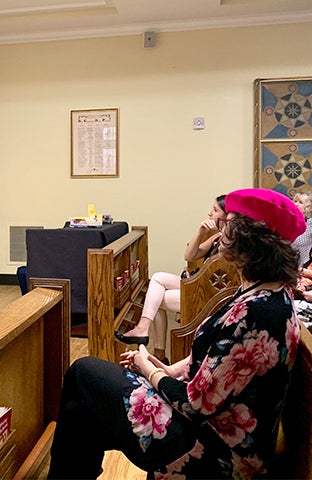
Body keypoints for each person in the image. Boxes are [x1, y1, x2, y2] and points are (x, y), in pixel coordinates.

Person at [47, 188, 304, 480]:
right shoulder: (265, 292)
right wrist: (169, 368)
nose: (221, 233)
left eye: (226, 224)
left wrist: (149, 370)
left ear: (251, 239)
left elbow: (196, 404)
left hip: (213, 449)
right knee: (78, 413)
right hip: (209, 423)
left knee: (83, 370)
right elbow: (218, 366)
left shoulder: (259, 314)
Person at [114, 195, 227, 362]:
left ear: (227, 216)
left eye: (215, 210)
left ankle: (155, 348)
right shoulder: (217, 237)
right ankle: (145, 333)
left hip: (209, 296)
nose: (210, 213)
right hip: (199, 285)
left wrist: (196, 277)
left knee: (155, 299)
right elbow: (189, 256)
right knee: (157, 279)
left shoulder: (231, 241)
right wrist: (200, 231)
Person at [291, 190, 312, 267]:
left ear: (308, 207)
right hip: (286, 265)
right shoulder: (286, 221)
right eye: (295, 201)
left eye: (300, 202)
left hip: (304, 266)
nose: (295, 204)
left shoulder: (310, 224)